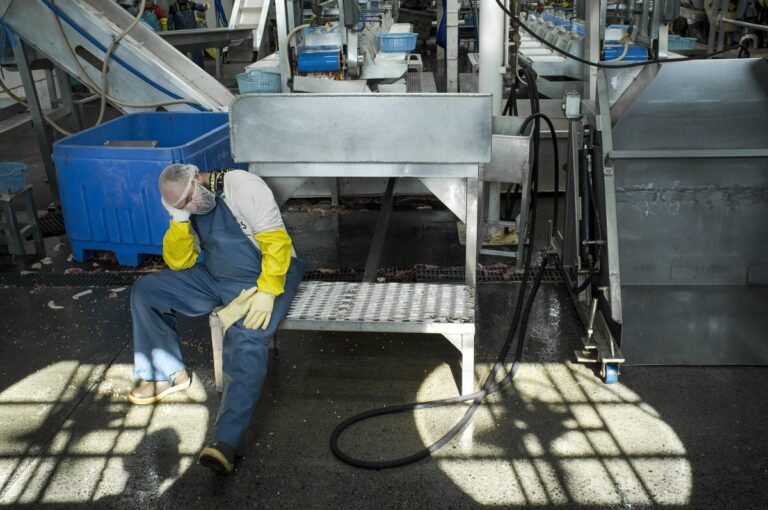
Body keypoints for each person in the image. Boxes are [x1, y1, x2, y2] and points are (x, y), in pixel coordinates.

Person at [129, 164, 309, 474]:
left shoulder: (243, 186)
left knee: (247, 338)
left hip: (266, 274)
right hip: (215, 276)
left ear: (197, 179)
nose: (191, 207)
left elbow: (277, 244)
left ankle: (226, 441)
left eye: (189, 200)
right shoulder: (186, 210)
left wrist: (267, 291)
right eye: (180, 205)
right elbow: (180, 261)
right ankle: (165, 374)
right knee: (147, 291)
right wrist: (179, 220)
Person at [168, 1, 209, 67]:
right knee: (182, 60)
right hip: (180, 38)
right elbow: (170, 25)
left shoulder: (191, 4)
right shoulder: (173, 8)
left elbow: (202, 7)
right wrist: (172, 37)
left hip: (193, 36)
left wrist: (206, 6)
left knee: (197, 59)